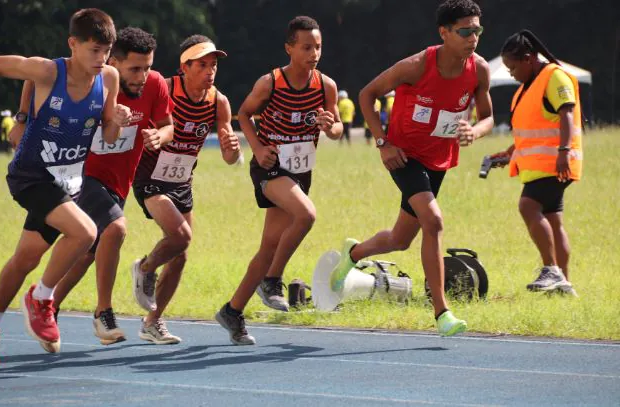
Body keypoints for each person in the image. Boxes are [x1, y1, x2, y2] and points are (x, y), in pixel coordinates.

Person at [330, 0, 494, 336]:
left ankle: (353, 252)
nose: (473, 37)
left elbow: (489, 116)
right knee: (433, 220)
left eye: (477, 29)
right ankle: (442, 313)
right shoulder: (417, 65)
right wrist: (382, 143)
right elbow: (367, 95)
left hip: (439, 159)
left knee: (401, 239)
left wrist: (474, 130)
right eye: (465, 31)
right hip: (403, 155)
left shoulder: (478, 70)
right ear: (444, 32)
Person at [0, 8, 131, 369]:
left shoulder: (109, 78)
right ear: (73, 44)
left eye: (106, 51)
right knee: (86, 232)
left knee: (25, 260)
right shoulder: (48, 72)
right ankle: (42, 298)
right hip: (31, 175)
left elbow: (107, 133)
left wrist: (118, 123)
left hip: (68, 182)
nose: (101, 59)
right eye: (94, 50)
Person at [11, 27, 175, 345]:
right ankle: (103, 312)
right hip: (81, 175)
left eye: (149, 67)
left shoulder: (154, 85)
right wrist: (21, 119)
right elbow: (34, 73)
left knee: (87, 255)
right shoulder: (89, 76)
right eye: (135, 68)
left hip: (118, 182)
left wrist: (160, 136)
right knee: (115, 230)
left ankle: (47, 304)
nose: (143, 76)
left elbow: (168, 125)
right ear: (113, 61)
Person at [216, 16, 343, 345]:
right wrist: (257, 148)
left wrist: (331, 127)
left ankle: (232, 310)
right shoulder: (270, 83)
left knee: (268, 246)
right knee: (307, 215)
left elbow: (338, 127)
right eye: (306, 47)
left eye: (318, 46)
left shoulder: (325, 86)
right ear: (289, 48)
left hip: (301, 169)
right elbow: (243, 114)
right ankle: (272, 279)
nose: (313, 53)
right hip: (270, 165)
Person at [131, 34, 241, 344]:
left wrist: (232, 148)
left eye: (214, 65)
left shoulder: (218, 101)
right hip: (150, 175)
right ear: (185, 67)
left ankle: (152, 322)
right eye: (202, 65)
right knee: (181, 236)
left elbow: (230, 157)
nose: (210, 71)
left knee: (180, 255)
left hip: (181, 181)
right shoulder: (163, 88)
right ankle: (145, 267)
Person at [490, 30, 582, 296]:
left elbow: (566, 112)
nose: (511, 73)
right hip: (541, 166)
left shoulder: (553, 77)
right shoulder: (527, 87)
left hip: (556, 163)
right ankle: (564, 285)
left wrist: (564, 150)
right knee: (553, 221)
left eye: (513, 67)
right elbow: (533, 130)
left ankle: (551, 270)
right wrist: (509, 153)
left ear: (529, 59)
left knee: (528, 206)